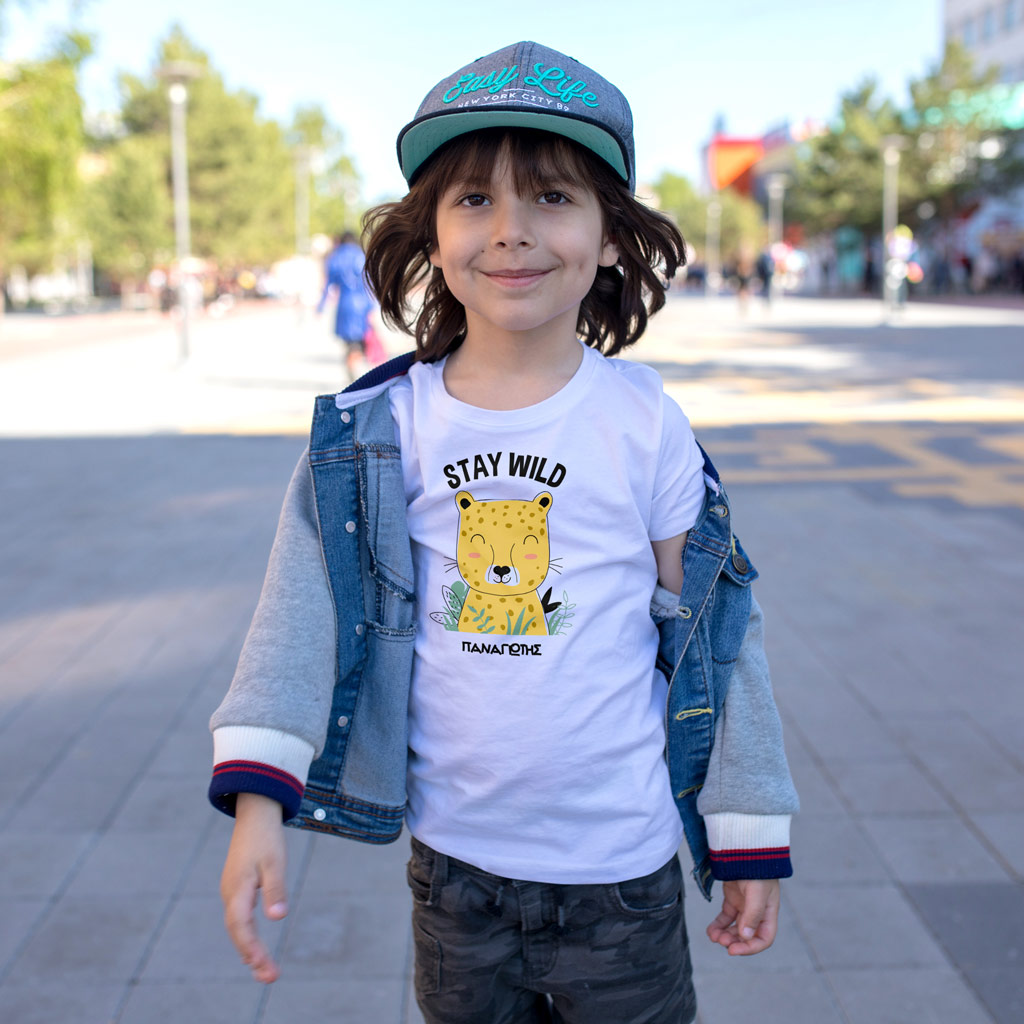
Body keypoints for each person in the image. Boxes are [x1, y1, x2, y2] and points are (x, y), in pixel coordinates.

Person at [209, 41, 798, 1024]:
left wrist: (746, 826)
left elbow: (716, 631)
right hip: (455, 872)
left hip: (623, 873)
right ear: (433, 234)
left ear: (610, 236)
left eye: (553, 197)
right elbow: (297, 612)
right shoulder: (380, 431)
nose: (512, 230)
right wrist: (261, 804)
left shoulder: (644, 422)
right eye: (475, 199)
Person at [316, 230, 374, 380]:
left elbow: (328, 286)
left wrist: (320, 306)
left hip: (344, 303)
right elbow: (370, 283)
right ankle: (356, 368)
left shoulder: (335, 257)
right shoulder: (362, 256)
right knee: (359, 340)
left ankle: (352, 368)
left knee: (349, 342)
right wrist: (373, 306)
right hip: (362, 304)